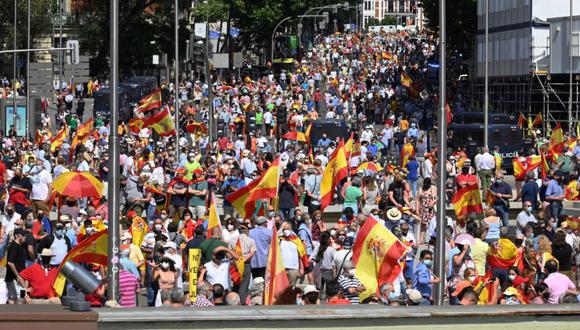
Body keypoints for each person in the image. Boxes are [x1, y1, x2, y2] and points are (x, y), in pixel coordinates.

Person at [5, 228, 28, 304]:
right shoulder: (14, 246)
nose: (25, 237)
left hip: (19, 278)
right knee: (15, 299)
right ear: (17, 236)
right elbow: (10, 263)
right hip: (14, 279)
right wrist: (18, 276)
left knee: (21, 299)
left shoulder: (20, 245)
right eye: (23, 235)